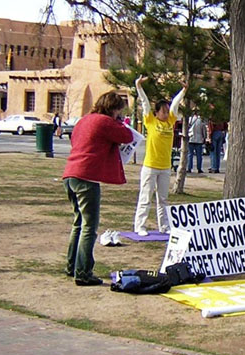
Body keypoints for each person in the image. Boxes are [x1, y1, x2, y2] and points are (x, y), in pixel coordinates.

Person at [62, 91, 133, 285]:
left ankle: (72, 265)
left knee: (78, 223)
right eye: (119, 111)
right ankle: (83, 273)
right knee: (89, 227)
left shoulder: (85, 120)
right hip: (86, 176)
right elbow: (127, 136)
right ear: (113, 109)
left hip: (70, 174)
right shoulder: (105, 122)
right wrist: (120, 122)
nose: (119, 114)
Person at [133, 75, 187, 236]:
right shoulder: (150, 121)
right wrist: (138, 86)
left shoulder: (170, 122)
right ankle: (140, 226)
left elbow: (175, 104)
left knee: (163, 199)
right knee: (146, 197)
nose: (166, 113)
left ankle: (164, 226)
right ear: (156, 113)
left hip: (165, 167)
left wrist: (184, 90)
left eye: (166, 110)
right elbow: (145, 103)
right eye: (163, 111)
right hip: (150, 166)